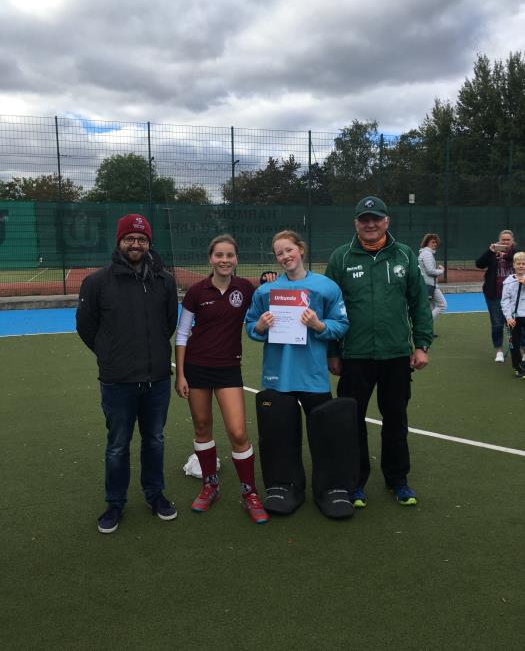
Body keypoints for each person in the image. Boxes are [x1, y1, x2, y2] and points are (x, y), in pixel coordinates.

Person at [325, 195, 433, 507]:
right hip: (355, 355)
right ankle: (355, 481)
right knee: (352, 420)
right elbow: (329, 308)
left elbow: (418, 302)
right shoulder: (341, 257)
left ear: (387, 221)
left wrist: (421, 345)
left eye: (376, 219)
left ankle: (397, 480)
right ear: (356, 223)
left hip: (396, 354)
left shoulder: (404, 255)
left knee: (396, 418)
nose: (370, 224)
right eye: (364, 219)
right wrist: (332, 351)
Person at [76, 214, 178, 534]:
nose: (136, 244)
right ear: (119, 241)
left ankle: (154, 494)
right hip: (117, 381)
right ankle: (115, 502)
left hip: (157, 379)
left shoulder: (164, 281)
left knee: (155, 440)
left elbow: (169, 323)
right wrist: (110, 355)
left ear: (149, 243)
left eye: (142, 239)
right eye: (130, 238)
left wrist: (154, 354)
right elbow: (86, 326)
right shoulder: (97, 282)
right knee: (118, 445)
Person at [245, 230, 353, 518]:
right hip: (278, 376)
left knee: (325, 435)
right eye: (279, 253)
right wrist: (260, 327)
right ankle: (284, 486)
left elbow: (341, 324)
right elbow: (251, 325)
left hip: (313, 376)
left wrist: (319, 325)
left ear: (300, 250)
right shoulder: (266, 292)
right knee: (279, 436)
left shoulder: (326, 287)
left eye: (289, 250)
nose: (285, 256)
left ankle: (329, 488)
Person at [175, 234, 269, 524]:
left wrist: (269, 281)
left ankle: (249, 493)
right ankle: (210, 486)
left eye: (230, 255)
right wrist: (181, 374)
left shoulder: (245, 288)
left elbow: (266, 301)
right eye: (219, 255)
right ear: (210, 259)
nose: (224, 260)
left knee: (238, 433)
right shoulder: (196, 292)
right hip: (196, 367)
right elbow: (182, 334)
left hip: (228, 368)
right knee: (202, 427)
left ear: (236, 259)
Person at [476, 230, 518, 362]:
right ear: (499, 240)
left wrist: (504, 255)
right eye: (503, 239)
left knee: (517, 324)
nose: (505, 242)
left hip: (514, 295)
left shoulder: (517, 253)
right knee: (497, 324)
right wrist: (490, 251)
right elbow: (479, 264)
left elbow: (517, 260)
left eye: (508, 240)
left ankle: (519, 350)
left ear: (512, 241)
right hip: (494, 293)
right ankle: (499, 350)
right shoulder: (493, 253)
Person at [500, 251, 525, 378]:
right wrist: (508, 317)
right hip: (514, 318)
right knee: (514, 344)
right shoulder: (508, 281)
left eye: (524, 264)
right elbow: (505, 301)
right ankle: (518, 367)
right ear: (514, 265)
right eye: (518, 263)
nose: (521, 266)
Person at [418, 233, 447, 334]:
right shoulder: (427, 254)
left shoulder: (426, 253)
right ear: (427, 243)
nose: (435, 244)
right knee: (442, 305)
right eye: (433, 242)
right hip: (429, 285)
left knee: (432, 307)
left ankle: (427, 331)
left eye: (436, 242)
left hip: (428, 284)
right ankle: (425, 325)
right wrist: (441, 271)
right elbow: (430, 271)